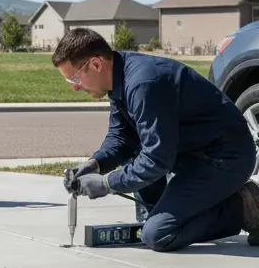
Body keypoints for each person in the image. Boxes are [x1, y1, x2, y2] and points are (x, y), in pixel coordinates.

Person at [55, 28, 259, 252]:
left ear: (96, 64)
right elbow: (121, 137)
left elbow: (156, 160)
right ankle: (159, 213)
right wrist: (95, 164)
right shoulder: (119, 76)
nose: (74, 87)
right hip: (191, 155)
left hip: (225, 157)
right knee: (139, 163)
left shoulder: (143, 83)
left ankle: (247, 206)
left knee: (159, 234)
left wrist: (106, 183)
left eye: (74, 78)